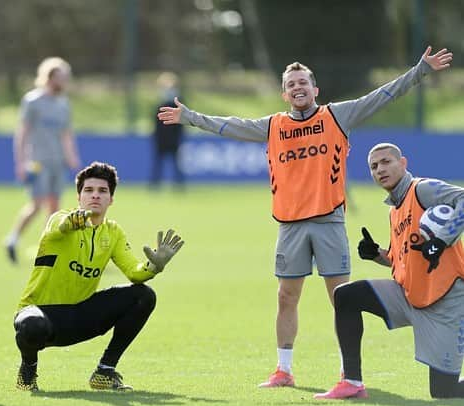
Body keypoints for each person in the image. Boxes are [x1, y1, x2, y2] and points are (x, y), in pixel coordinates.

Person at [158, 46, 453, 388]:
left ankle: (348, 372)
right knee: (286, 296)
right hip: (290, 225)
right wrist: (189, 117)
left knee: (341, 298)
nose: (297, 87)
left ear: (315, 90)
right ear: (284, 93)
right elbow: (229, 125)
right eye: (291, 83)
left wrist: (421, 71)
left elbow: (382, 96)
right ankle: (283, 370)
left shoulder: (337, 116)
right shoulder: (274, 126)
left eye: (303, 82)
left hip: (328, 222)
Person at [13, 161, 184, 392]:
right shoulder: (59, 218)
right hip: (41, 313)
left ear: (111, 199)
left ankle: (105, 371)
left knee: (143, 296)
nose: (95, 196)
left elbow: (134, 272)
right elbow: (60, 226)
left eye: (102, 191)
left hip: (80, 314)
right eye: (89, 190)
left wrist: (154, 266)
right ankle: (28, 369)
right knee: (31, 325)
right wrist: (72, 222)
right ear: (78, 196)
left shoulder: (113, 232)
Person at [316, 143, 464, 399]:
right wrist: (377, 255)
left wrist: (442, 241)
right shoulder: (395, 211)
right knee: (346, 295)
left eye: (386, 162)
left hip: (446, 302)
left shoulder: (422, 189)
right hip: (408, 297)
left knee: (443, 391)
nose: (380, 170)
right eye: (374, 167)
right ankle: (352, 383)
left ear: (403, 163)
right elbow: (403, 261)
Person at [5, 57, 81, 264]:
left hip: (58, 161)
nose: (65, 82)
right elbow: (22, 133)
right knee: (37, 204)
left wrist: (72, 156)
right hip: (38, 161)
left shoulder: (64, 104)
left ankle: (47, 248)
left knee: (55, 207)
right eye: (61, 78)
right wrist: (20, 162)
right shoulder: (33, 101)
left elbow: (66, 133)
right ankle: (12, 239)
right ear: (49, 77)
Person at [150, 72, 184, 188]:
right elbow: (156, 124)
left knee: (176, 164)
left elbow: (181, 124)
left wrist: (179, 138)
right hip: (161, 139)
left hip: (174, 139)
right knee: (158, 163)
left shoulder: (178, 105)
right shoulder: (160, 104)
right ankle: (155, 184)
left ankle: (179, 184)